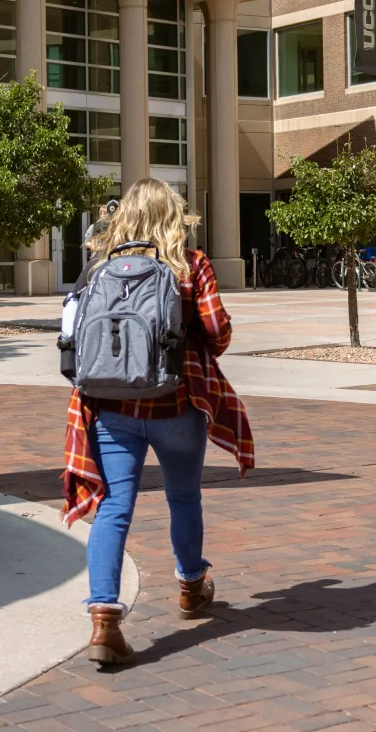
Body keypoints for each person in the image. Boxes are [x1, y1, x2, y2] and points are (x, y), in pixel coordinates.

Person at [61, 179, 254, 666]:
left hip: (111, 405)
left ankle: (104, 621)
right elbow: (218, 331)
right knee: (183, 496)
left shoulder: (100, 266)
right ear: (175, 217)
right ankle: (191, 586)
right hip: (177, 402)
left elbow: (73, 333)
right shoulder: (191, 265)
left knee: (113, 509)